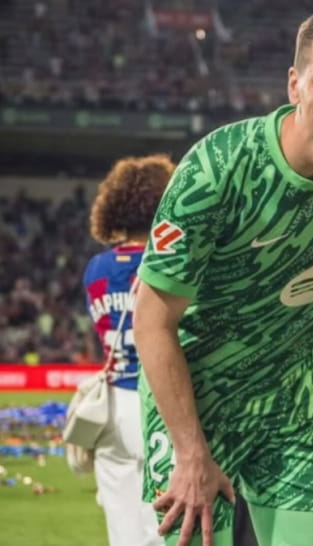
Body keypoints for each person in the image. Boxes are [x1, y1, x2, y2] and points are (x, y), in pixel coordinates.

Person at [132, 7, 313, 546]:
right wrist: (189, 451)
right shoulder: (217, 168)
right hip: (199, 396)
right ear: (295, 83)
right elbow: (152, 321)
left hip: (294, 399)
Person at [83, 154, 173, 546]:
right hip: (160, 401)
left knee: (122, 533)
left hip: (112, 406)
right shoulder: (168, 263)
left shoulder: (96, 268)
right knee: (163, 529)